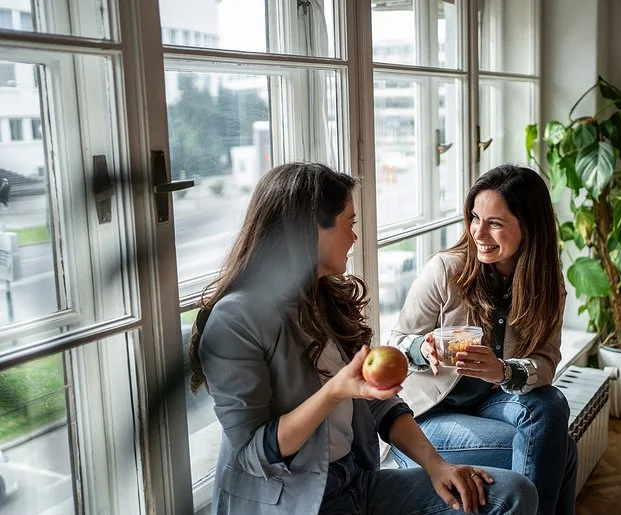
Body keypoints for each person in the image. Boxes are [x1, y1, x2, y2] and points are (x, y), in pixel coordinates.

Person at [187, 162, 538, 514]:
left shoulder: (327, 299)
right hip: (295, 500)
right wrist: (334, 391)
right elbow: (254, 455)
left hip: (355, 481)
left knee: (512, 493)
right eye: (349, 224)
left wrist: (437, 466)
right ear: (310, 230)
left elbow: (378, 404)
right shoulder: (236, 318)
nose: (355, 237)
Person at [387, 164, 578, 515]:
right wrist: (420, 347)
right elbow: (397, 339)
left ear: (529, 227)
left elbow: (547, 360)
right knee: (562, 450)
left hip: (493, 403)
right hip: (427, 417)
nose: (479, 232)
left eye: (495, 223)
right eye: (475, 218)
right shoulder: (446, 270)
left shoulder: (548, 283)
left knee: (550, 403)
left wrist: (504, 372)